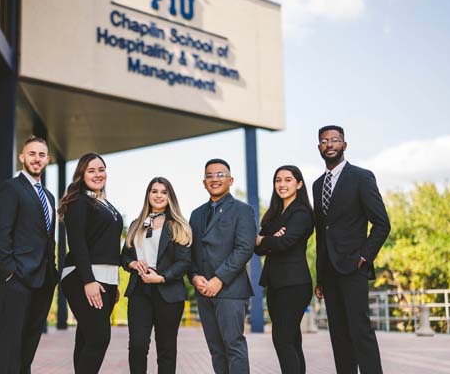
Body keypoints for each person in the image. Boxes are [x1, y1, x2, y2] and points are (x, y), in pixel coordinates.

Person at [313, 125, 391, 374]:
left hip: (354, 266)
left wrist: (364, 256)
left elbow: (382, 224)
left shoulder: (361, 177)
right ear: (319, 148)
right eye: (324, 141)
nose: (330, 144)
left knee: (360, 330)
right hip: (330, 271)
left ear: (344, 145)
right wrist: (320, 275)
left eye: (335, 140)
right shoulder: (317, 185)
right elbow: (321, 233)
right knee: (338, 332)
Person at [0, 135, 58, 374]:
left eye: (41, 155)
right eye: (32, 154)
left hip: (43, 279)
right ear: (22, 157)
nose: (36, 159)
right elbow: (1, 233)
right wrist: (9, 272)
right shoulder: (11, 188)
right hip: (17, 278)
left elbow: (49, 239)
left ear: (47, 159)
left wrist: (53, 271)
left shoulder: (48, 196)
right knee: (11, 343)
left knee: (29, 342)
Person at [188, 158, 257, 374]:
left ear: (230, 180)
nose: (215, 179)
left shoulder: (242, 210)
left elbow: (244, 248)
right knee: (216, 350)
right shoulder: (196, 214)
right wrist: (194, 276)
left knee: (233, 346)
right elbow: (190, 252)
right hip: (204, 292)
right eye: (210, 175)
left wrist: (219, 279)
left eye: (220, 174)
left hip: (231, 291)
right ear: (203, 182)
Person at [58, 152, 123, 374]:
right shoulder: (79, 201)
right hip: (81, 276)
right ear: (81, 175)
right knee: (99, 337)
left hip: (105, 280)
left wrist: (114, 283)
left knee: (86, 337)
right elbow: (77, 243)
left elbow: (109, 245)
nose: (98, 174)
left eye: (101, 169)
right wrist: (89, 281)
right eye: (91, 170)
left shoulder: (104, 202)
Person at [121, 177, 192, 374]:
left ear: (170, 197)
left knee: (166, 349)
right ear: (148, 195)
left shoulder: (178, 225)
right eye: (154, 191)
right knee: (137, 345)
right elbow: (125, 255)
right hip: (139, 291)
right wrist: (132, 263)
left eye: (163, 192)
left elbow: (184, 262)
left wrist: (161, 277)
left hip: (168, 291)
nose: (158, 195)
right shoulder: (137, 224)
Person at [254, 165, 313, 374]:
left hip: (295, 284)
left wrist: (266, 239)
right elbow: (257, 248)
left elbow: (285, 242)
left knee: (282, 340)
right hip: (276, 284)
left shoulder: (302, 212)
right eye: (278, 180)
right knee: (292, 341)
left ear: (298, 184)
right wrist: (270, 240)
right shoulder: (274, 214)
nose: (282, 184)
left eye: (288, 180)